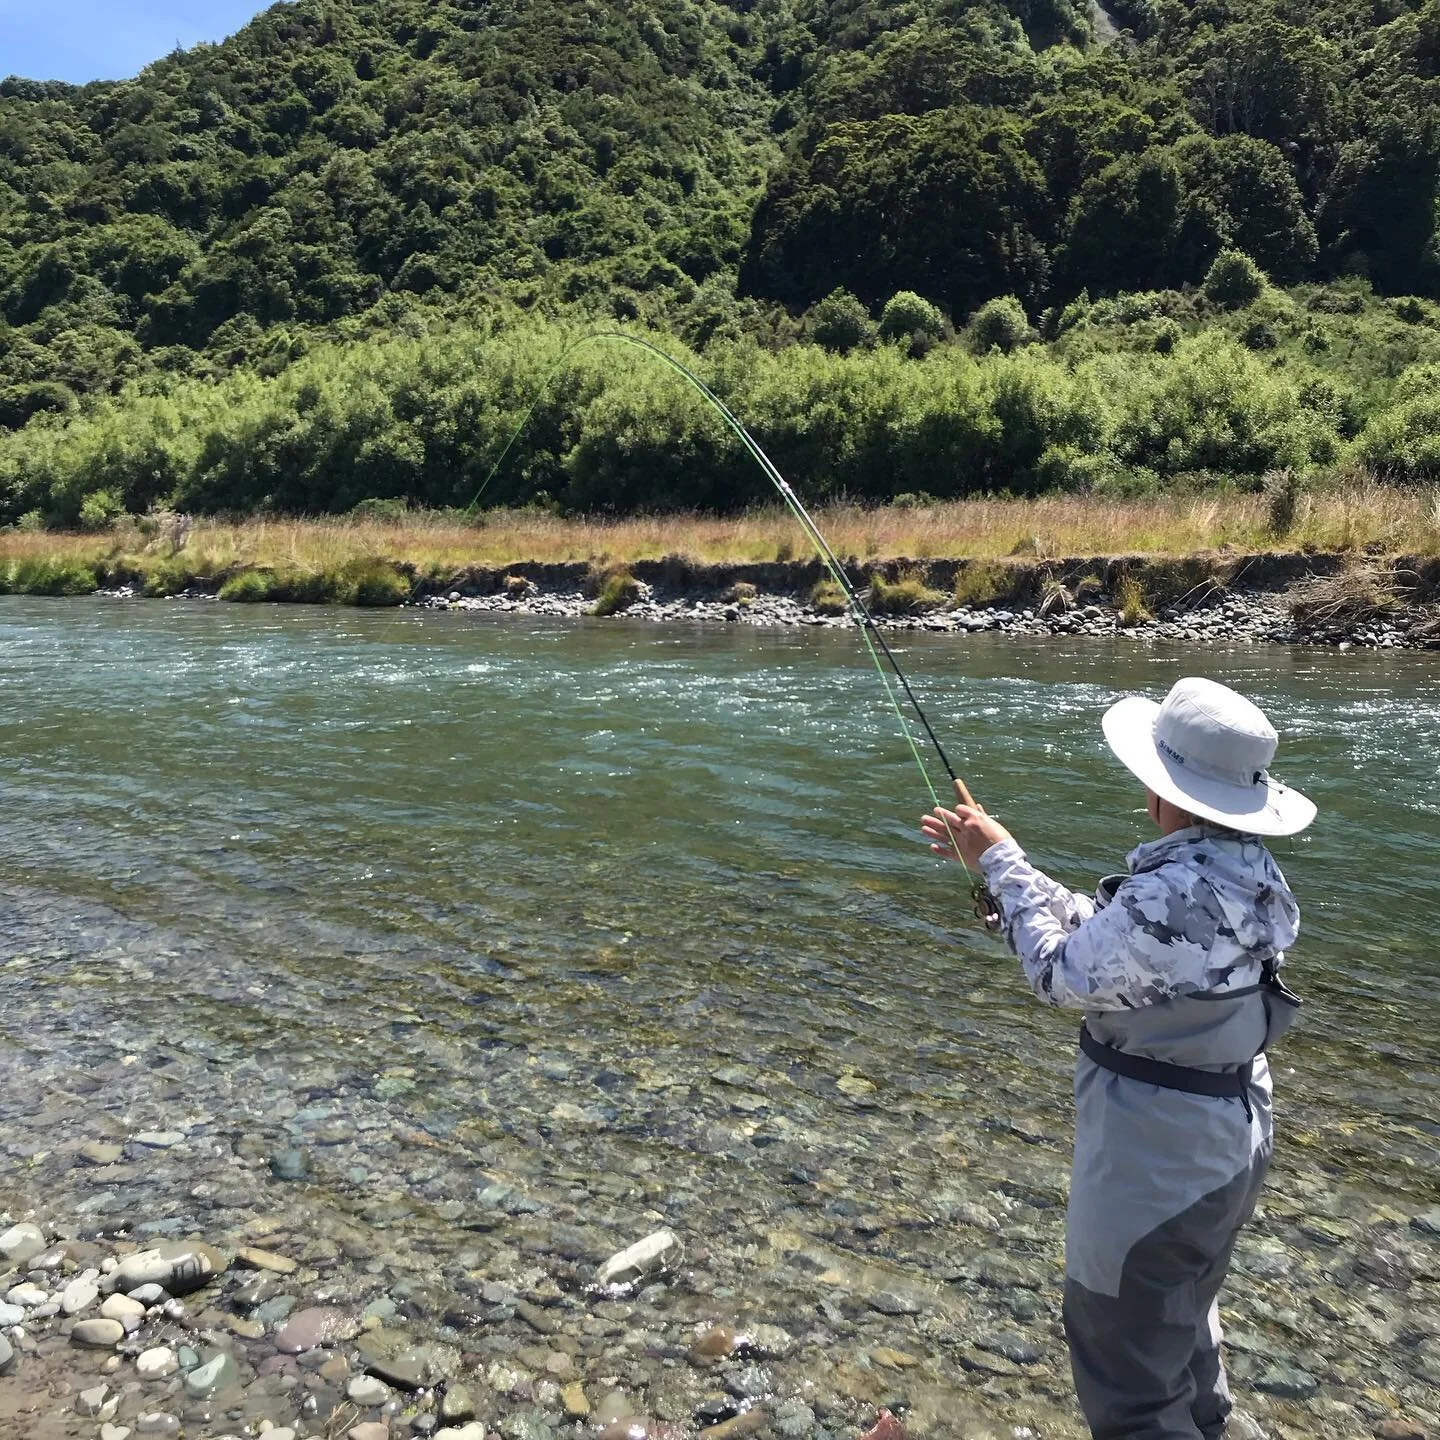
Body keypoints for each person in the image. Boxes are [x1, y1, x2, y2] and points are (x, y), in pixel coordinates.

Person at [920, 676, 1315, 1440]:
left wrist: (1001, 864)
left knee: (1123, 1359)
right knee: (1180, 1323)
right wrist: (1009, 867)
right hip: (1223, 1135)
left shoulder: (1180, 893)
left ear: (1162, 790)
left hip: (1161, 1156)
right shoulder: (1235, 872)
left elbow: (1063, 973)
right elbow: (1114, 940)